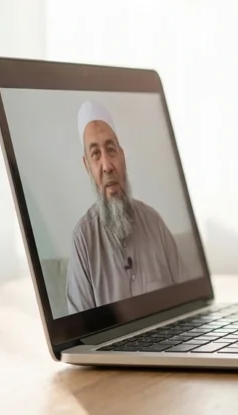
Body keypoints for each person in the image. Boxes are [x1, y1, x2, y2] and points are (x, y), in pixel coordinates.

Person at [65, 100, 186, 315]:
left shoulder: (154, 223)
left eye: (111, 150)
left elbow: (188, 302)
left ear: (122, 156)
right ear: (87, 167)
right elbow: (81, 338)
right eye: (95, 154)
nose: (107, 166)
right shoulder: (83, 239)